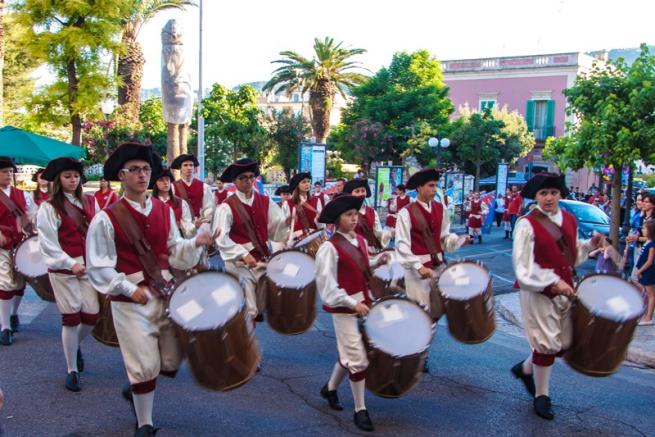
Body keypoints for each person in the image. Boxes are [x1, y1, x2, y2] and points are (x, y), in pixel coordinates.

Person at [86, 143, 214, 436]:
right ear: (122, 174)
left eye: (146, 169)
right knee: (144, 365)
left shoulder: (163, 209)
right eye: (135, 170)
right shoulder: (106, 218)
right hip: (130, 301)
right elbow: (99, 265)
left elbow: (172, 248)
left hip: (163, 291)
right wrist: (128, 289)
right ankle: (145, 423)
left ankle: (135, 392)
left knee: (167, 360)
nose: (142, 175)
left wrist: (195, 243)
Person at [510, 173, 602, 421]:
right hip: (538, 290)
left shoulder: (570, 220)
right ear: (536, 196)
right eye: (543, 193)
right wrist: (552, 283)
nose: (548, 198)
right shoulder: (526, 224)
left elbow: (570, 255)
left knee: (562, 343)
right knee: (546, 343)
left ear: (561, 194)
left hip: (566, 287)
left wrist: (590, 245)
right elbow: (522, 266)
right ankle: (542, 396)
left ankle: (526, 368)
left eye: (553, 192)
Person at [315, 193, 390, 432]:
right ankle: (360, 409)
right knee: (358, 359)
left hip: (364, 302)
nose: (354, 218)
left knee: (349, 353)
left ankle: (329, 389)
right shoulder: (329, 247)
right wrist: (351, 303)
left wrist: (378, 262)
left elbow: (361, 267)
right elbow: (327, 287)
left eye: (355, 214)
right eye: (349, 215)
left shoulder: (360, 240)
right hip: (344, 308)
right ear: (337, 220)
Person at [394, 168, 469, 372]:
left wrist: (457, 240)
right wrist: (418, 266)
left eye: (436, 185)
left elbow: (444, 239)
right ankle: (416, 354)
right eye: (430, 186)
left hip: (437, 266)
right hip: (416, 270)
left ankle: (420, 352)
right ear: (419, 187)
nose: (434, 190)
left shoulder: (440, 208)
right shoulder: (406, 213)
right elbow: (401, 245)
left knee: (434, 314)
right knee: (420, 314)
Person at [36, 158, 99, 392]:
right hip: (64, 268)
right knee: (71, 317)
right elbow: (48, 243)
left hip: (89, 266)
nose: (73, 180)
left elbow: (99, 232)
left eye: (75, 176)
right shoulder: (49, 207)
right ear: (58, 180)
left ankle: (73, 346)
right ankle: (72, 369)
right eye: (67, 176)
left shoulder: (90, 202)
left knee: (91, 316)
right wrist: (69, 263)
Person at [212, 158, 288, 322]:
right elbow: (220, 237)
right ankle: (245, 345)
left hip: (261, 260)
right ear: (234, 181)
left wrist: (286, 226)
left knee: (262, 308)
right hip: (239, 264)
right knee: (249, 310)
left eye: (251, 177)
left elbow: (276, 229)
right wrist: (241, 253)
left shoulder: (265, 201)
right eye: (243, 178)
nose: (248, 181)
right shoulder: (226, 206)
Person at [0, 157, 36, 345]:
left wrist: (30, 226)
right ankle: (4, 327)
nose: (8, 175)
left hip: (20, 244)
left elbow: (31, 216)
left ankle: (13, 315)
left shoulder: (23, 195)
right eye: (4, 172)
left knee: (20, 283)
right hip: (1, 246)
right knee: (5, 283)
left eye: (10, 172)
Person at [343, 178, 392, 255]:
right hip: (352, 253)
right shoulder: (344, 213)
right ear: (350, 194)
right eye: (357, 191)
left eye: (363, 191)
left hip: (371, 253)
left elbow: (378, 234)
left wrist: (390, 234)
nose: (361, 194)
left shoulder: (372, 212)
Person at [151, 167, 196, 238]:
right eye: (161, 180)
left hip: (177, 239)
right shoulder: (149, 203)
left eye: (167, 179)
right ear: (155, 183)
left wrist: (195, 226)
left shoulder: (181, 203)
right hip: (156, 239)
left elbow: (187, 226)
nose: (165, 182)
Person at [170, 153, 215, 221]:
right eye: (185, 165)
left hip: (199, 225)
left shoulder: (204, 187)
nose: (189, 168)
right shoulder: (172, 187)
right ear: (180, 168)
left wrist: (204, 220)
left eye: (191, 165)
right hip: (179, 225)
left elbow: (209, 207)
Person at [283, 172, 323, 246]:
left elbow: (321, 225)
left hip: (314, 238)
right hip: (296, 240)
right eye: (303, 182)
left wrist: (318, 220)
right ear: (297, 185)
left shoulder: (316, 200)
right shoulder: (288, 203)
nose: (307, 184)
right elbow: (284, 226)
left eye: (308, 181)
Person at [634, 220, 655, 325]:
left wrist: (640, 270)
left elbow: (650, 261)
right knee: (644, 292)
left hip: (648, 271)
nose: (643, 230)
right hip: (643, 271)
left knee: (650, 294)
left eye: (645, 228)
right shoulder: (647, 241)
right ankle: (644, 314)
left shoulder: (652, 244)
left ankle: (649, 317)